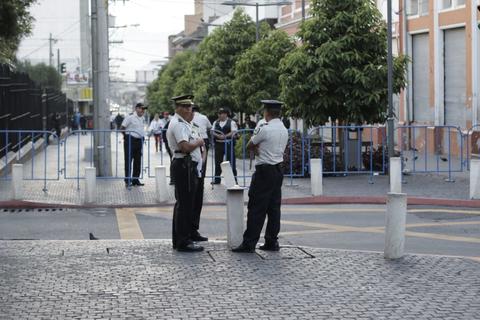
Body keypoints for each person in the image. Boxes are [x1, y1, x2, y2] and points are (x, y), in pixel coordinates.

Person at [232, 100, 289, 253]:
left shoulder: (265, 129)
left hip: (264, 171)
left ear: (267, 112)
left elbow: (249, 144)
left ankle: (249, 243)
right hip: (278, 170)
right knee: (274, 208)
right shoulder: (284, 129)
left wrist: (258, 149)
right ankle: (272, 241)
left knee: (256, 207)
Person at [166, 94, 205, 252]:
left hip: (188, 165)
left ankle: (183, 238)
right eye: (187, 107)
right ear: (179, 108)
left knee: (185, 204)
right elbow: (185, 147)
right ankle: (183, 241)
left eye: (191, 107)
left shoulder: (184, 123)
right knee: (184, 205)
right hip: (184, 165)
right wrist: (199, 142)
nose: (190, 110)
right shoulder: (178, 124)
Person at [191, 104, 211, 242]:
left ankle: (193, 230)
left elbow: (203, 147)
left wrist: (202, 162)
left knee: (197, 198)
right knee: (189, 200)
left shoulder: (194, 126)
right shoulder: (181, 125)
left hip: (197, 166)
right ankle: (187, 233)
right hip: (188, 167)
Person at [120, 102, 147, 187]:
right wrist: (127, 137)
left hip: (139, 141)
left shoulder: (142, 118)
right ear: (137, 109)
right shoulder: (130, 117)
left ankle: (135, 179)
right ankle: (127, 180)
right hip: (130, 140)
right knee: (128, 160)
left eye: (144, 109)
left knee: (138, 161)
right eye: (142, 108)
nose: (143, 111)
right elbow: (122, 128)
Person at [211, 108, 237, 184]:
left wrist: (224, 136)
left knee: (231, 162)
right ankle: (217, 179)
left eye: (221, 113)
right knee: (217, 162)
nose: (220, 115)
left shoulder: (231, 122)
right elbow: (212, 132)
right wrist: (218, 136)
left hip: (228, 144)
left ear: (226, 114)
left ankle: (234, 180)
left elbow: (233, 132)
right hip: (218, 144)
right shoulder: (216, 122)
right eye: (219, 113)